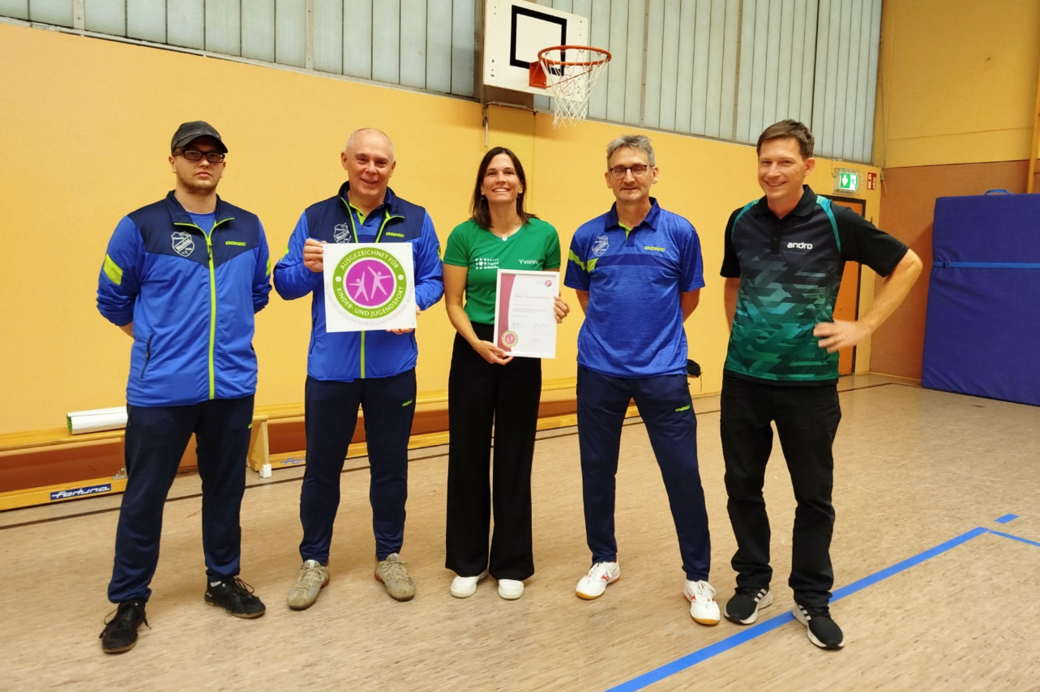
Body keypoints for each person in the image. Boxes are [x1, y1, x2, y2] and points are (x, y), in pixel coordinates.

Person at [720, 120, 922, 649]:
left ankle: (811, 597)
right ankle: (753, 580)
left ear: (807, 167)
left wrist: (866, 326)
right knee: (742, 486)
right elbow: (734, 283)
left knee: (814, 496)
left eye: (784, 161)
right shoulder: (740, 220)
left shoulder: (837, 220)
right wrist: (741, 342)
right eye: (765, 161)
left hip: (809, 386)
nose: (772, 171)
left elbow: (908, 263)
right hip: (743, 381)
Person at [95, 121, 272, 654]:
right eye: (192, 153)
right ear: (172, 160)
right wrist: (153, 341)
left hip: (232, 387)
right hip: (159, 392)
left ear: (223, 163)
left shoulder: (248, 226)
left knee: (226, 489)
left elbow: (258, 293)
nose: (204, 162)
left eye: (213, 154)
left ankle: (222, 579)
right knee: (145, 496)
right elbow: (111, 298)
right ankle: (129, 599)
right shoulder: (140, 226)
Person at [274, 128, 443, 609]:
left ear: (393, 168)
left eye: (381, 162)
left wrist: (412, 303)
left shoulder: (417, 219)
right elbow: (283, 284)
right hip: (331, 370)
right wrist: (305, 268)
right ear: (345, 161)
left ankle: (389, 555)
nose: (372, 169)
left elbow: (432, 279)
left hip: (394, 369)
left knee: (390, 469)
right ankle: (314, 562)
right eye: (363, 159)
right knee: (321, 470)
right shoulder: (316, 217)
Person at [564, 134, 720, 625]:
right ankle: (603, 561)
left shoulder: (680, 232)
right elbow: (587, 299)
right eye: (618, 169)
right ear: (607, 177)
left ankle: (698, 577)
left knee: (683, 474)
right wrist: (614, 340)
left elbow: (688, 298)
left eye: (637, 167)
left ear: (654, 173)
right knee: (596, 469)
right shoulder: (588, 235)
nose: (628, 176)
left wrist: (653, 340)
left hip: (664, 373)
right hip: (598, 371)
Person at [442, 147, 569, 601]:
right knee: (468, 454)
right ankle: (468, 561)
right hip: (473, 348)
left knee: (515, 455)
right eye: (492, 172)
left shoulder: (545, 234)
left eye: (509, 172)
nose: (500, 178)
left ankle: (512, 562)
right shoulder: (463, 235)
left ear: (520, 184)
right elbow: (453, 302)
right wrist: (476, 344)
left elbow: (548, 294)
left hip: (524, 352)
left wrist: (556, 308)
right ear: (482, 184)